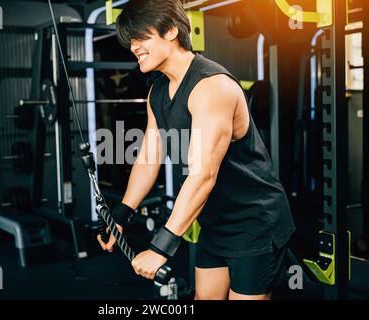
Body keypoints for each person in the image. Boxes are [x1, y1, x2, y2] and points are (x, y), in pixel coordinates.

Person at [97, 0, 295, 300]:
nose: (134, 47)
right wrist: (121, 216)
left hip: (254, 222)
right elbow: (149, 158)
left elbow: (204, 174)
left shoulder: (210, 86)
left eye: (141, 38)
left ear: (172, 30)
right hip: (215, 222)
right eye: (130, 41)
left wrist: (160, 246)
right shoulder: (158, 91)